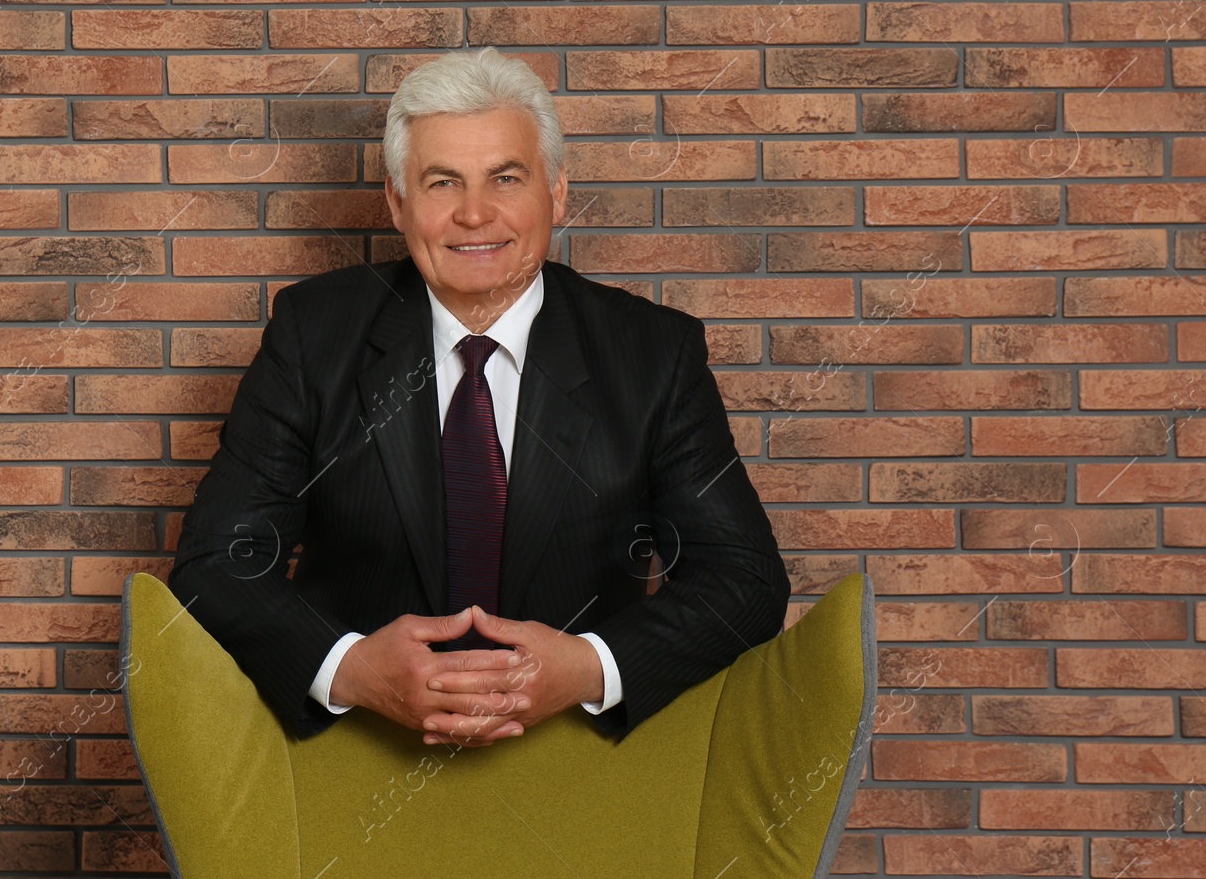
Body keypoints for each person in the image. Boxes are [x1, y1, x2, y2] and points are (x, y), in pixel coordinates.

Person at [168, 46, 790, 748]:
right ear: (397, 202)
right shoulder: (315, 335)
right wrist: (349, 668)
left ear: (556, 191)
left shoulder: (653, 354)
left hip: (575, 758)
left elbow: (745, 582)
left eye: (506, 177)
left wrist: (587, 667)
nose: (474, 214)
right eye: (442, 183)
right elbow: (216, 565)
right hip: (357, 753)